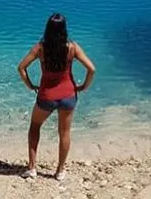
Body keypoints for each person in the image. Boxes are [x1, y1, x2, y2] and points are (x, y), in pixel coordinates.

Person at [16, 13, 96, 181]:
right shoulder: (72, 47)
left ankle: (32, 168)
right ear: (64, 29)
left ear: (47, 29)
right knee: (64, 132)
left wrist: (30, 85)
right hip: (68, 95)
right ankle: (60, 171)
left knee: (35, 126)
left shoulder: (40, 48)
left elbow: (21, 68)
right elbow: (91, 69)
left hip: (46, 96)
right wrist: (82, 87)